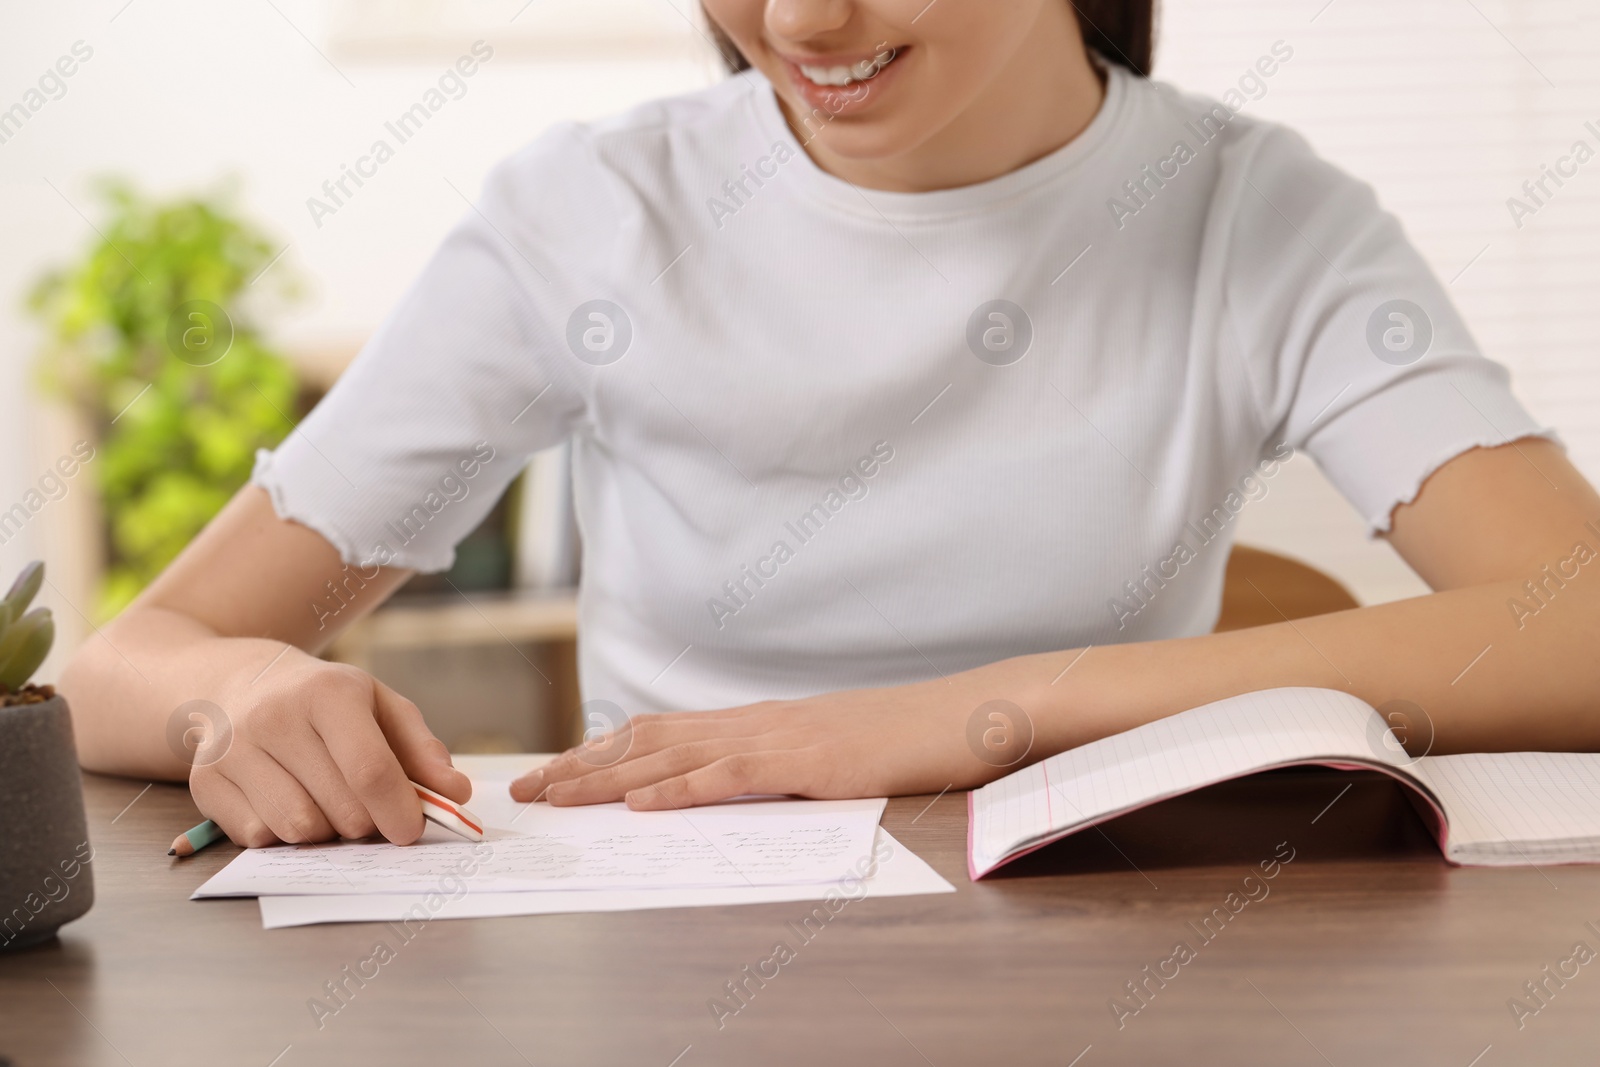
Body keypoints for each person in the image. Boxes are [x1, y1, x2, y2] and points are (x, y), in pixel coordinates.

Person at [63, 0, 1600, 847]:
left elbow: (1579, 623)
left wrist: (983, 711)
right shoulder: (590, 216)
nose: (801, 18)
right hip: (673, 970)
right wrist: (239, 698)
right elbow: (132, 661)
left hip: (1093, 960)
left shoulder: (1259, 221)